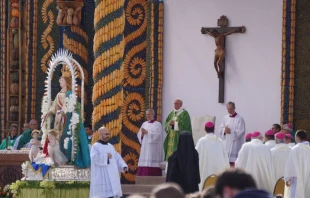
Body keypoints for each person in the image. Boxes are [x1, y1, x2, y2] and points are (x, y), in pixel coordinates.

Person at [43, 65, 90, 168]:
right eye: (60, 80)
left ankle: (68, 158)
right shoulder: (59, 94)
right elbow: (54, 106)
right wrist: (49, 113)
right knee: (57, 138)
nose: (60, 81)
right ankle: (59, 160)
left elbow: (69, 106)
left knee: (66, 137)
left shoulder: (69, 93)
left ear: (66, 82)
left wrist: (62, 113)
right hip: (58, 120)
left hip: (66, 119)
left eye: (62, 80)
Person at [90, 127, 128, 198]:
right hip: (101, 175)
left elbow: (117, 158)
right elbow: (94, 158)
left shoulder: (110, 146)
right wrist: (105, 156)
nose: (108, 136)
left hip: (112, 174)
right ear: (100, 134)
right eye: (106, 134)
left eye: (108, 134)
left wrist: (123, 166)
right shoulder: (95, 146)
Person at [195, 122, 229, 190]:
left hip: (205, 171)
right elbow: (226, 158)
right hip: (218, 173)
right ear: (214, 129)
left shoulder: (201, 141)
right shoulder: (220, 142)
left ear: (205, 129)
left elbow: (195, 157)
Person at [137, 109, 164, 176]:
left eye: (149, 114)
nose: (148, 116)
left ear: (153, 114)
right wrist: (142, 134)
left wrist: (147, 132)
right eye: (146, 114)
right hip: (145, 146)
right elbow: (139, 135)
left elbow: (158, 135)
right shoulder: (144, 124)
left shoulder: (157, 124)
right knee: (144, 159)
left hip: (153, 147)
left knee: (152, 160)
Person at [284, 130, 310, 198]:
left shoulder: (295, 149)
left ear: (297, 138)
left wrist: (288, 178)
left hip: (298, 179)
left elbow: (291, 165)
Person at [218, 101, 245, 167]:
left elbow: (241, 131)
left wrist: (231, 131)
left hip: (235, 145)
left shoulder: (240, 119)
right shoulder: (225, 118)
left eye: (231, 108)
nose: (229, 110)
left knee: (234, 164)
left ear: (234, 108)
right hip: (227, 143)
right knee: (226, 164)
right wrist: (224, 130)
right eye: (228, 108)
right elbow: (220, 129)